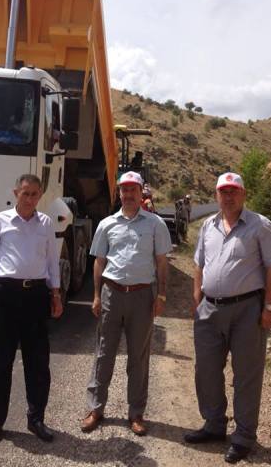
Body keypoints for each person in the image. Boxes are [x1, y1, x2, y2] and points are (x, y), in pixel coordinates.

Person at [183, 172, 271, 463]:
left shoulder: (260, 225)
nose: (228, 197)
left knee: (246, 375)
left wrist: (269, 307)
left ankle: (243, 437)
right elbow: (199, 264)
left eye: (234, 191)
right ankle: (214, 424)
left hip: (247, 310)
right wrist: (197, 298)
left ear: (243, 194)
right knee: (206, 370)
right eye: (223, 191)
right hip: (209, 309)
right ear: (216, 195)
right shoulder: (209, 225)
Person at [0, 174, 63, 447]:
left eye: (35, 194)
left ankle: (36, 419)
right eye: (25, 193)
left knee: (38, 362)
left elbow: (52, 261)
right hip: (5, 296)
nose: (30, 198)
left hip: (36, 297)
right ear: (16, 193)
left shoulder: (46, 223)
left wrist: (55, 293)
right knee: (1, 361)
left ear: (40, 196)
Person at [81, 171, 172, 436]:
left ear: (141, 192)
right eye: (124, 189)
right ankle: (95, 408)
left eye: (133, 189)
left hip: (143, 296)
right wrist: (97, 295)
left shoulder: (155, 224)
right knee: (103, 353)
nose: (129, 194)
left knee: (138, 357)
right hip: (112, 293)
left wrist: (161, 295)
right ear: (118, 193)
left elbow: (162, 262)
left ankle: (136, 413)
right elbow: (99, 261)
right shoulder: (106, 224)